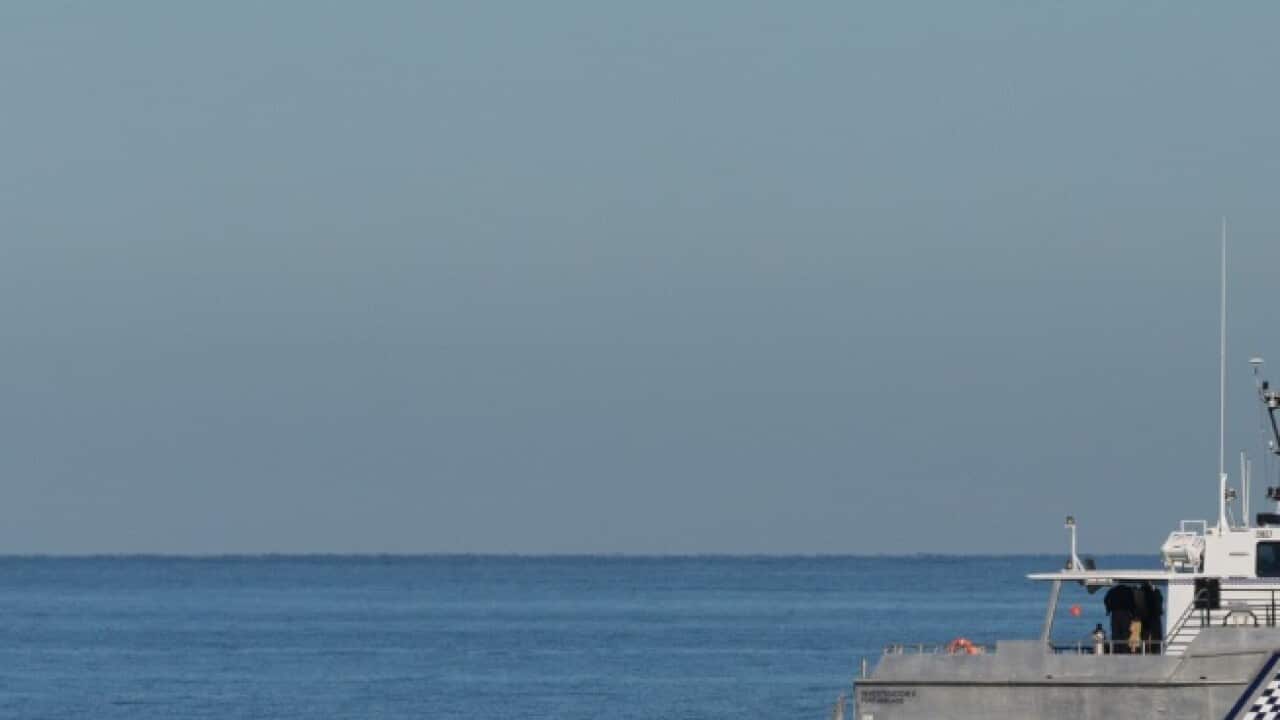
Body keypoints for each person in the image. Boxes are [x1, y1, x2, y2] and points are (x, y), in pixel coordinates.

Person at [1104, 584, 1135, 654]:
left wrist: (1108, 609)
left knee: (1115, 633)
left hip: (1115, 613)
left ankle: (1116, 650)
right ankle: (1125, 650)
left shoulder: (1112, 590)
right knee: (1125, 633)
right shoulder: (1128, 590)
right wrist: (1133, 613)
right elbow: (1132, 602)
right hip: (1125, 613)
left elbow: (1106, 600)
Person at [1141, 582, 1164, 653]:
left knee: (1145, 634)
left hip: (1146, 616)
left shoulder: (1144, 594)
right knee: (1156, 634)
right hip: (1154, 616)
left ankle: (1145, 649)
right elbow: (1159, 601)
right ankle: (1155, 649)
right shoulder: (1155, 594)